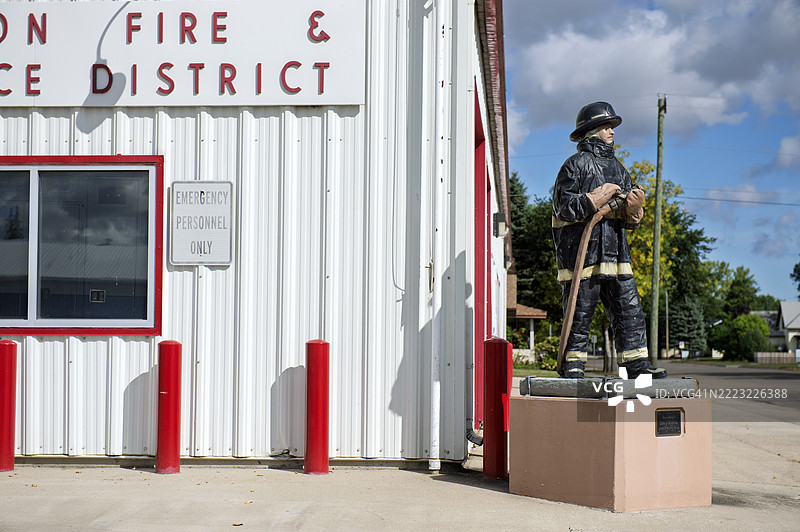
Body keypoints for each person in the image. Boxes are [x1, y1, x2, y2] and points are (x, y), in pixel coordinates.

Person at [552, 101, 667, 379]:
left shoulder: (618, 168)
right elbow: (563, 207)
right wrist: (595, 198)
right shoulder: (574, 166)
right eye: (606, 126)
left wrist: (634, 209)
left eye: (611, 126)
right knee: (580, 312)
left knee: (629, 310)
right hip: (583, 256)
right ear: (592, 131)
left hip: (616, 256)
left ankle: (636, 364)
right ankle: (573, 363)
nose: (611, 131)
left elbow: (629, 221)